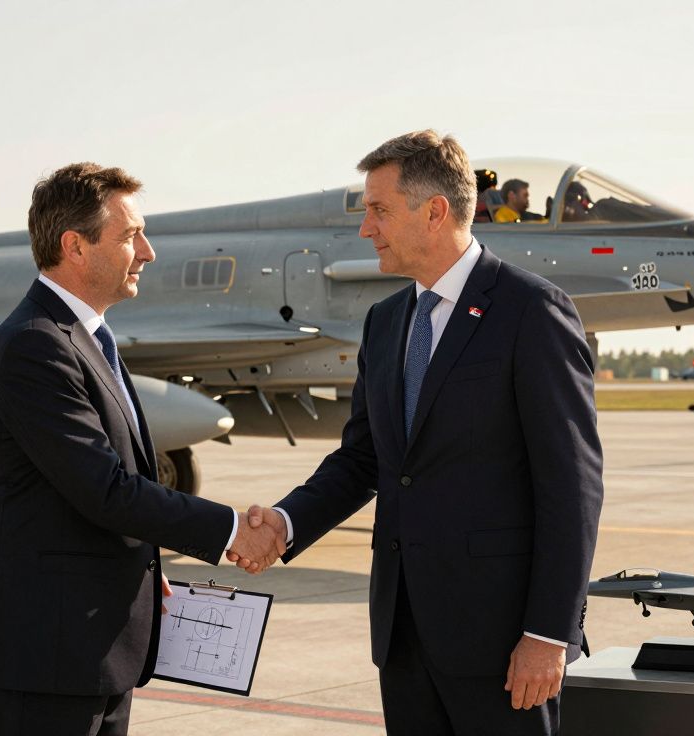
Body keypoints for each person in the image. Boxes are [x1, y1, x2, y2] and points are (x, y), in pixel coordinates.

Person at [235, 130, 604, 735]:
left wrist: (548, 633)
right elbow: (364, 460)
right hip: (404, 637)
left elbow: (573, 488)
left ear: (434, 212)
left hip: (505, 645)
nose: (365, 229)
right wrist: (285, 522)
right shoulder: (385, 323)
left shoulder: (530, 312)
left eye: (378, 210)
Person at [0, 163, 283, 736]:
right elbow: (105, 491)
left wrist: (142, 565)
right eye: (131, 235)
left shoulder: (86, 338)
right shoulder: (36, 345)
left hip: (97, 652)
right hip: (46, 658)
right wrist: (233, 529)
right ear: (74, 246)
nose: (148, 252)